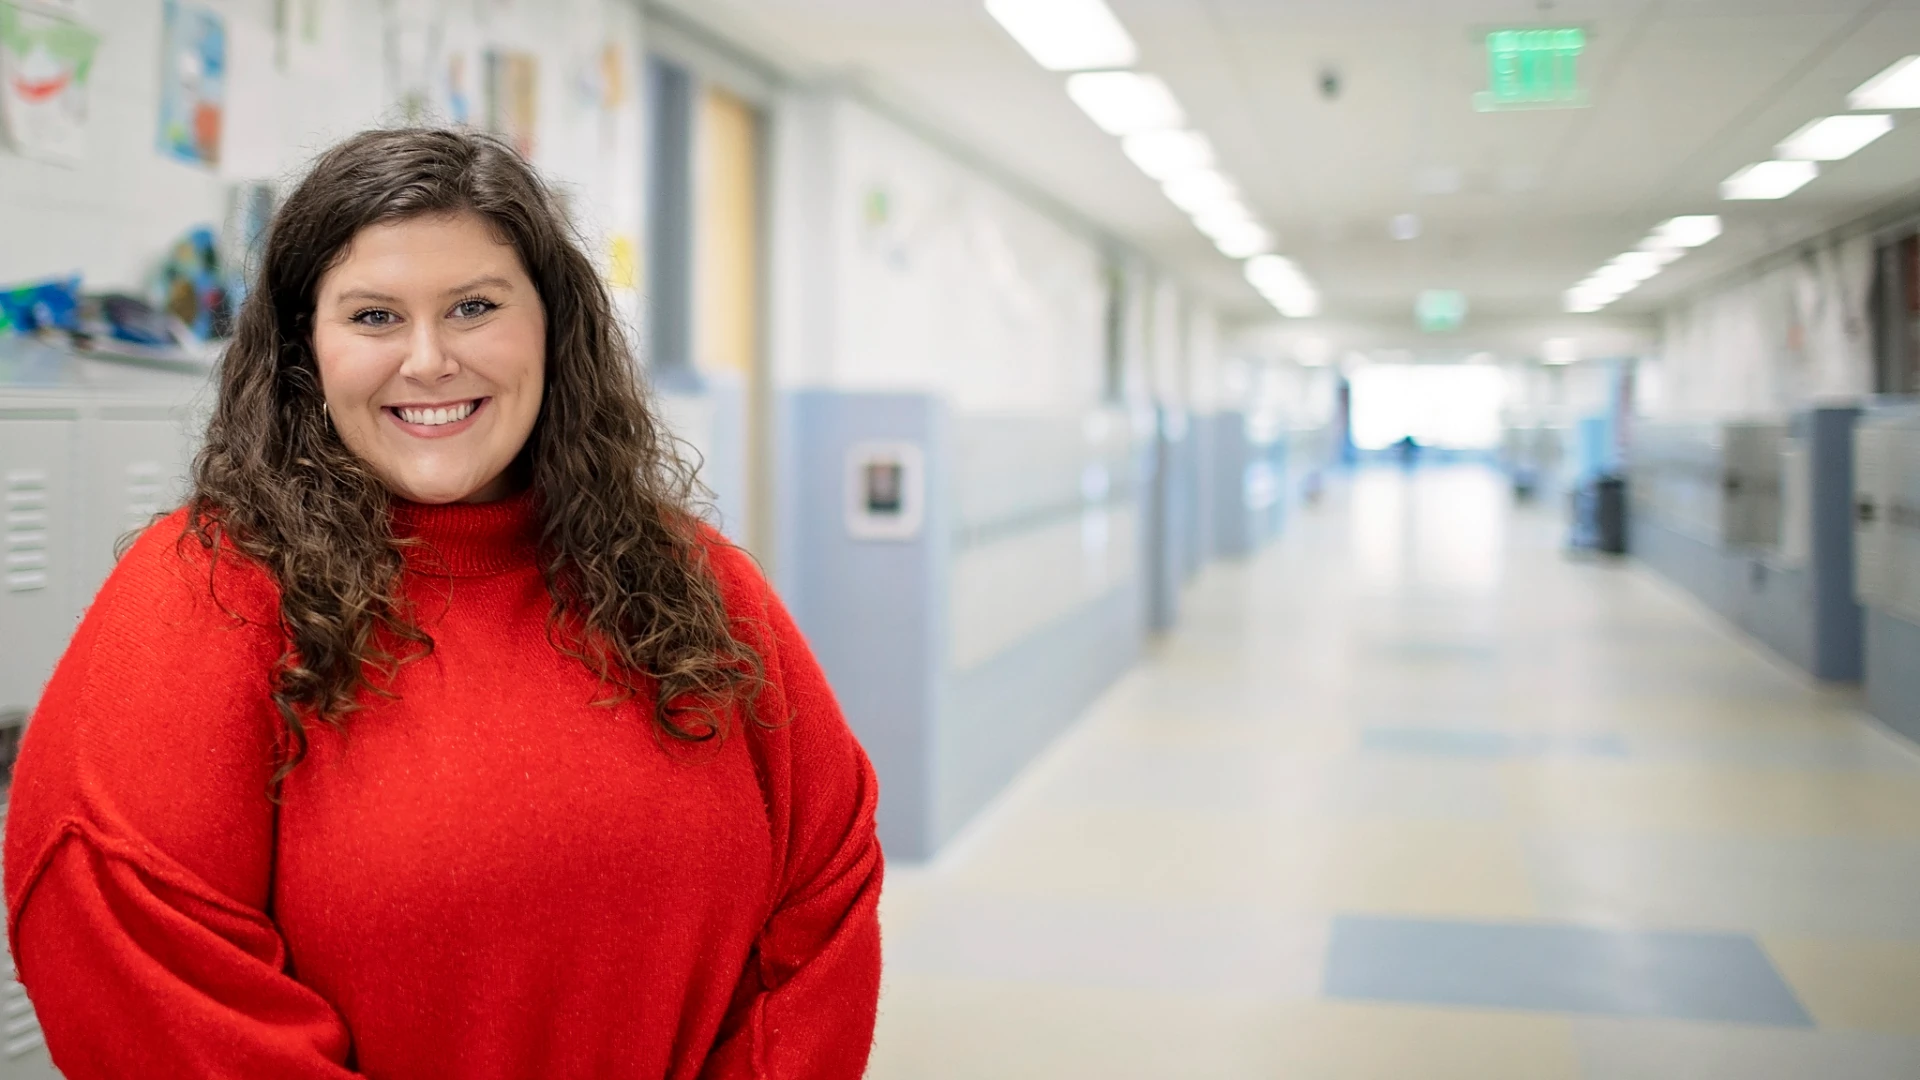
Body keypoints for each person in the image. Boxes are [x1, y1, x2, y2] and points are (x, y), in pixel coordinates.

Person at [4, 128, 883, 1079]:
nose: (428, 361)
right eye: (374, 317)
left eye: (473, 307)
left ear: (552, 324)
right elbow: (141, 957)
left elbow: (824, 897)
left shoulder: (696, 581)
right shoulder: (206, 592)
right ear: (306, 350)